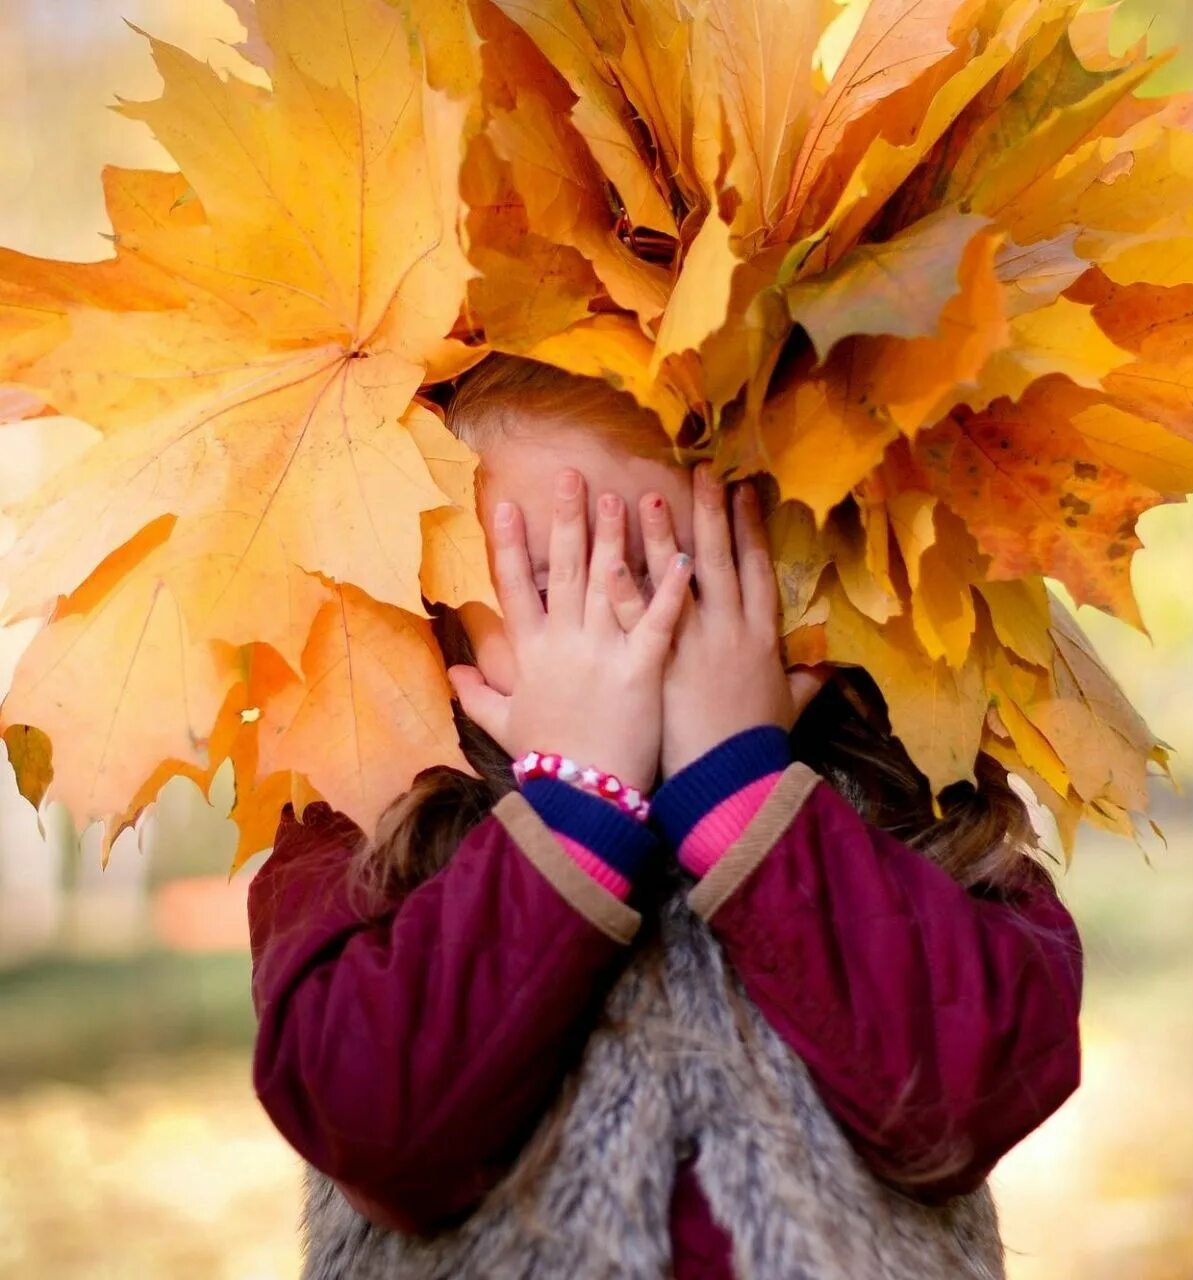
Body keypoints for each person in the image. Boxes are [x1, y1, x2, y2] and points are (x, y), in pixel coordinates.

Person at [247, 354, 1084, 1280]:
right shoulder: (371, 809)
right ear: (432, 605)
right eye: (547, 578)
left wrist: (742, 790)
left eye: (680, 568)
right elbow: (378, 1130)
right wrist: (574, 801)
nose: (624, 621)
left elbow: (965, 1101)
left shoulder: (904, 789)